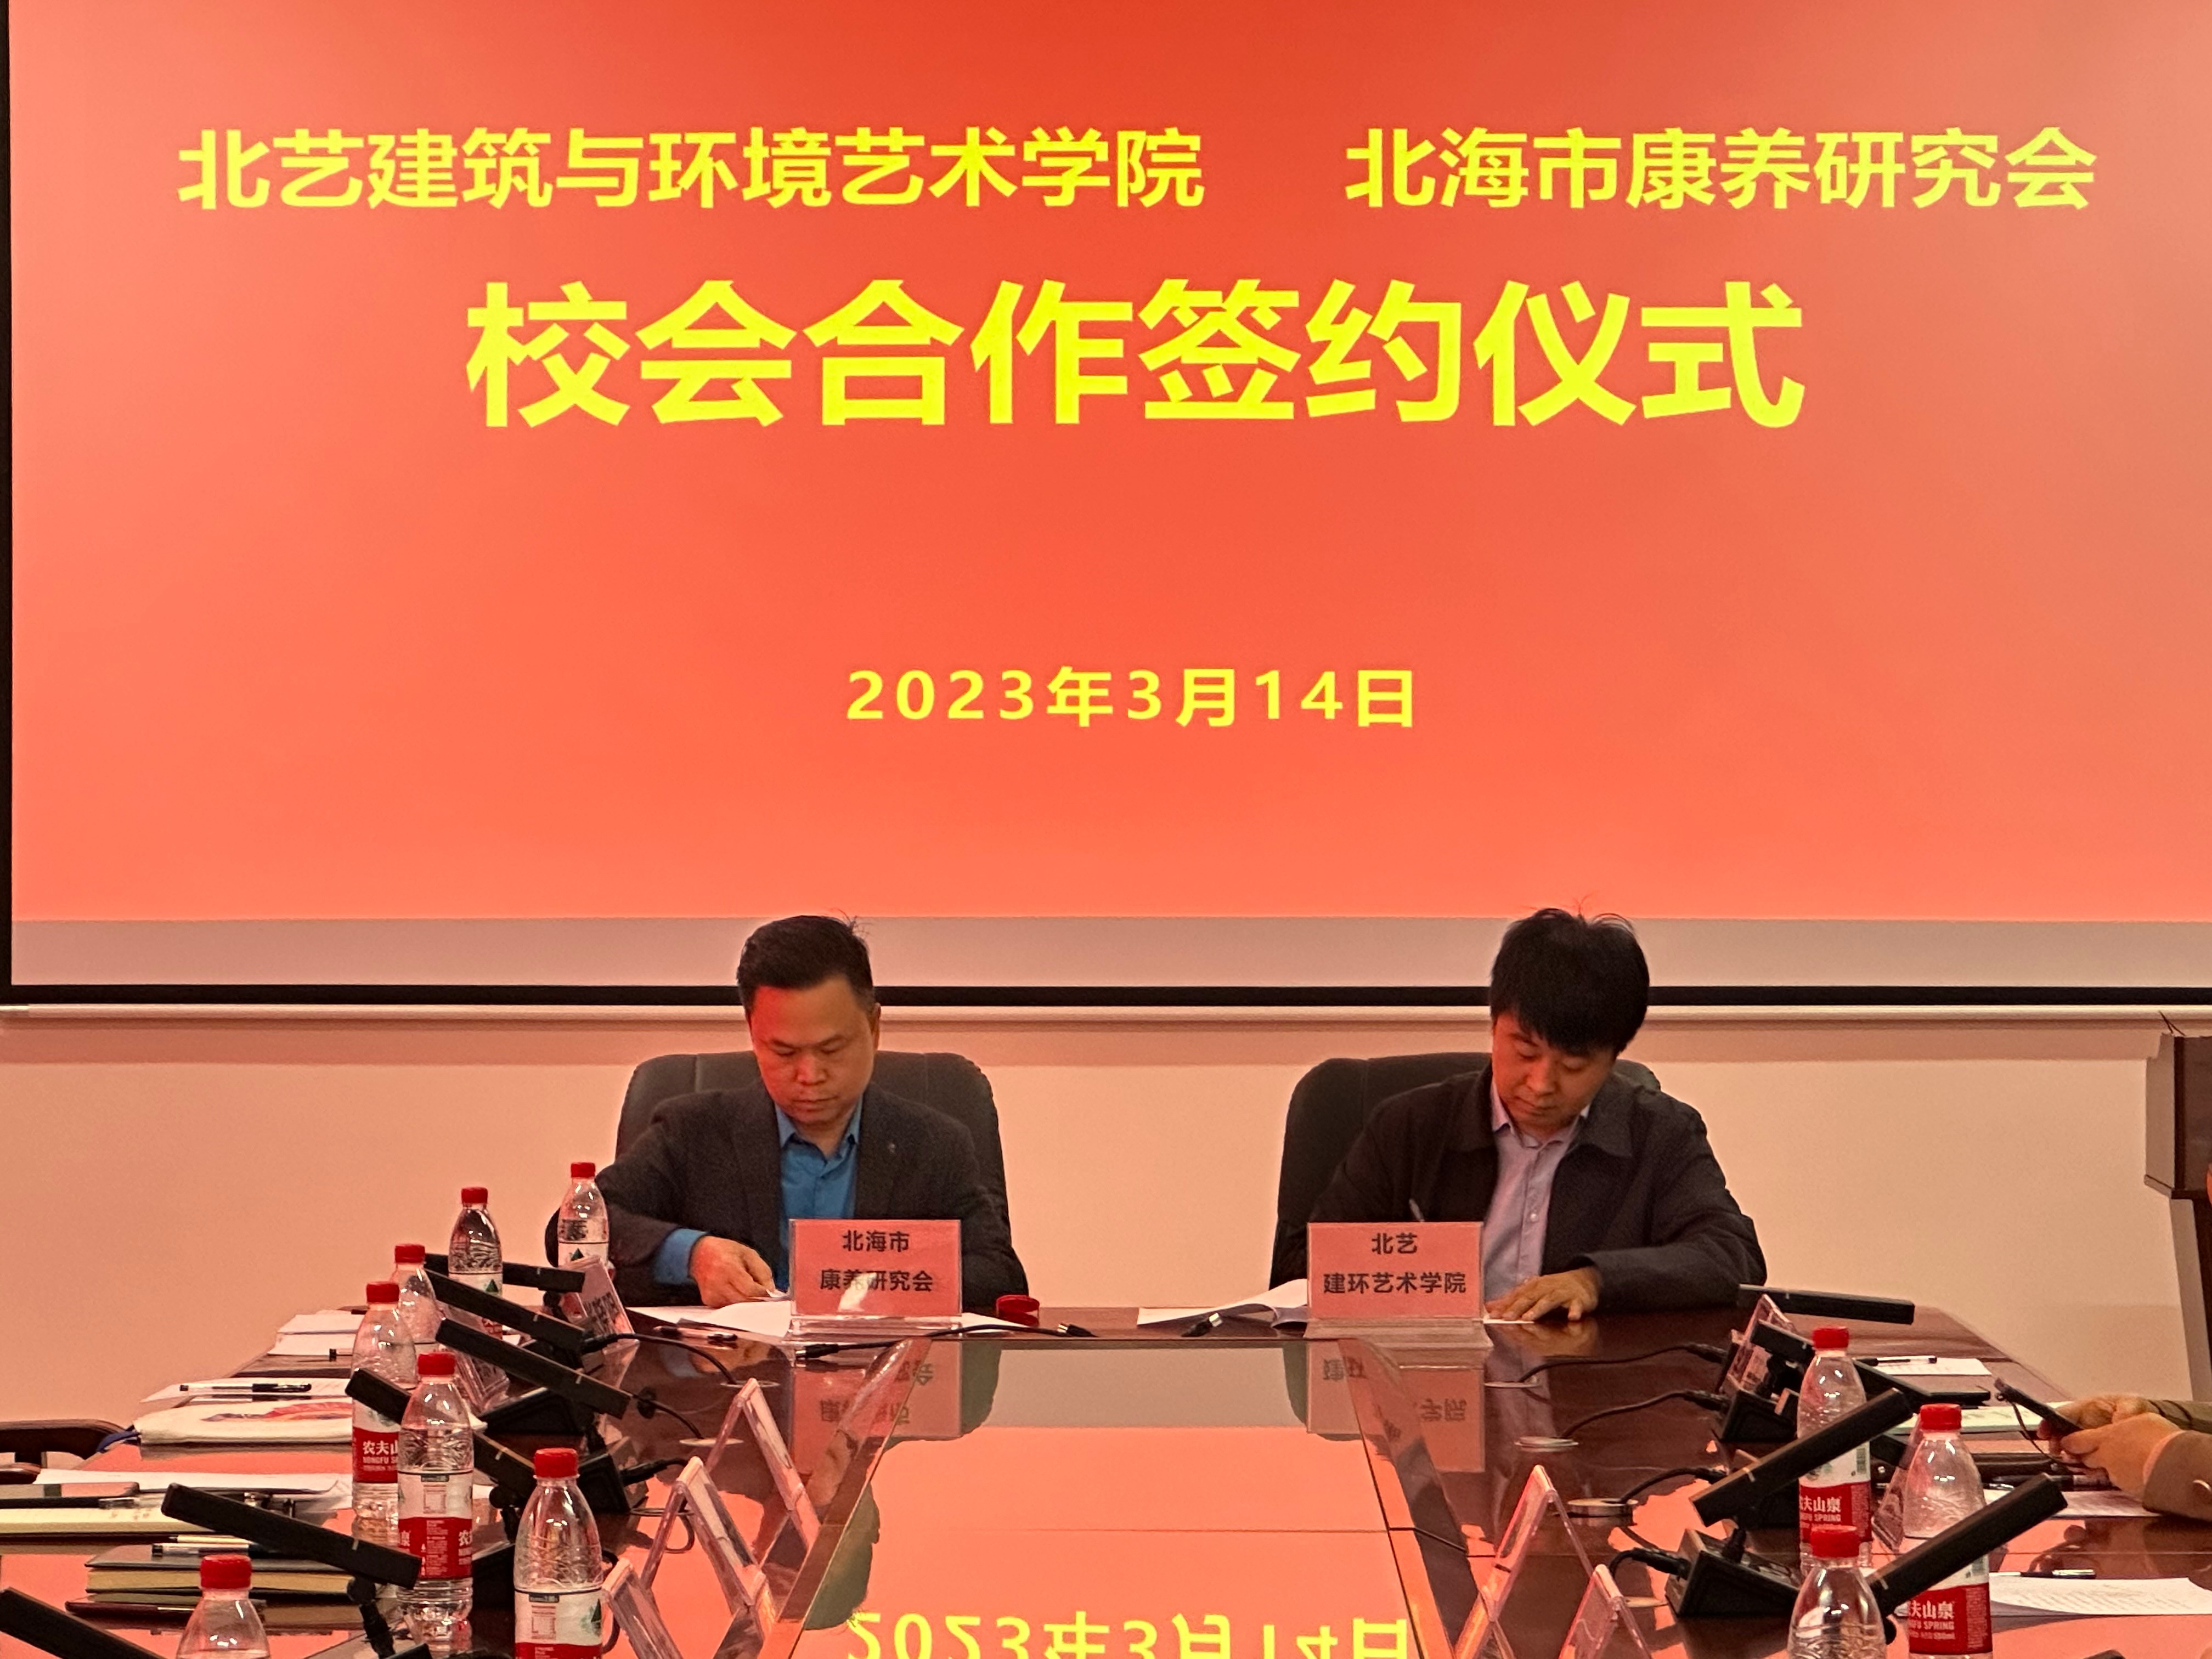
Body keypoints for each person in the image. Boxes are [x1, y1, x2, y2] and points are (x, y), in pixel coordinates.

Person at [1295, 909, 1764, 1318]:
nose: (1541, 1084)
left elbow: (1731, 1255)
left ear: (1614, 1057)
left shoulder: (1660, 1133)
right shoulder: (1409, 1127)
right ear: (1494, 1025)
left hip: (1585, 1382)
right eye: (1525, 1051)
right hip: (1429, 1380)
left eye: (1573, 1065)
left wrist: (1597, 1281)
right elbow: (1307, 1267)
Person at [571, 915, 1026, 1312]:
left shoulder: (934, 1144)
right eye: (784, 1052)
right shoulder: (692, 1131)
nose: (810, 1076)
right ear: (753, 1033)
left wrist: (876, 1279)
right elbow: (576, 1229)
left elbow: (999, 1275)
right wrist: (692, 1254)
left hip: (878, 1374)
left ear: (873, 1027)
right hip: (727, 1375)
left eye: (832, 1049)